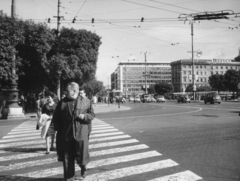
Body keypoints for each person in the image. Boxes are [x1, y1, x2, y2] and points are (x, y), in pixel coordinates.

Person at [53, 82, 95, 181]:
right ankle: (69, 178)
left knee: (82, 157)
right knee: (67, 159)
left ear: (74, 91)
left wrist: (85, 116)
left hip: (81, 134)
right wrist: (59, 130)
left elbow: (92, 115)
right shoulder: (62, 103)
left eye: (67, 91)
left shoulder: (86, 101)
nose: (65, 92)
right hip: (67, 136)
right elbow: (56, 118)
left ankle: (83, 167)